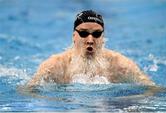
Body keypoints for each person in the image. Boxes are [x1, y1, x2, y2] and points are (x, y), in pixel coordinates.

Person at [27, 10, 155, 87]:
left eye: (96, 34)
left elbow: (151, 89)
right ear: (74, 36)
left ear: (103, 37)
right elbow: (29, 93)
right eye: (83, 33)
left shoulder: (120, 65)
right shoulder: (55, 66)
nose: (90, 40)